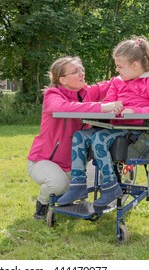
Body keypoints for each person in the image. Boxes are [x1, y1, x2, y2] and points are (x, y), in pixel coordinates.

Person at [57, 37, 149, 209]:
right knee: (79, 136)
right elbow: (108, 102)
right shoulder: (118, 82)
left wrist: (136, 111)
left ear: (134, 65)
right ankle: (78, 185)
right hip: (116, 127)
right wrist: (109, 108)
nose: (117, 70)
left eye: (120, 66)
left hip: (138, 131)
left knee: (100, 138)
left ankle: (110, 187)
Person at [27, 56, 123, 219]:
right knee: (58, 184)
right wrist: (102, 107)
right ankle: (42, 203)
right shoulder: (52, 94)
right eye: (75, 71)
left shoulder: (88, 93)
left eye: (81, 69)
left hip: (72, 163)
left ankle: (63, 196)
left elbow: (116, 82)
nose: (82, 73)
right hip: (43, 161)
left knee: (79, 185)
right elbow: (63, 107)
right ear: (62, 79)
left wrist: (139, 69)